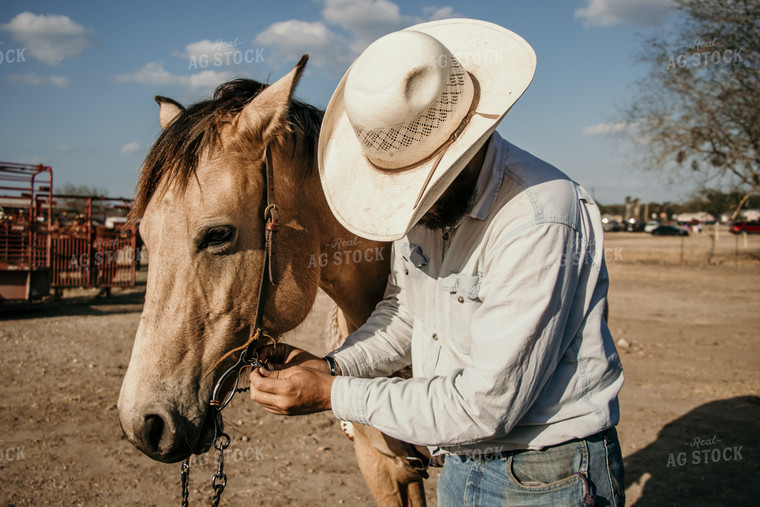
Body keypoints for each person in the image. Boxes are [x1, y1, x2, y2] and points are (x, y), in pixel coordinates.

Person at [250, 18, 624, 506]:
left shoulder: (537, 218)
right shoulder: (431, 209)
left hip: (544, 477)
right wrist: (332, 365)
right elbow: (405, 314)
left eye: (418, 179)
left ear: (465, 144)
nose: (412, 204)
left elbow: (486, 406)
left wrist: (331, 393)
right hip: (461, 466)